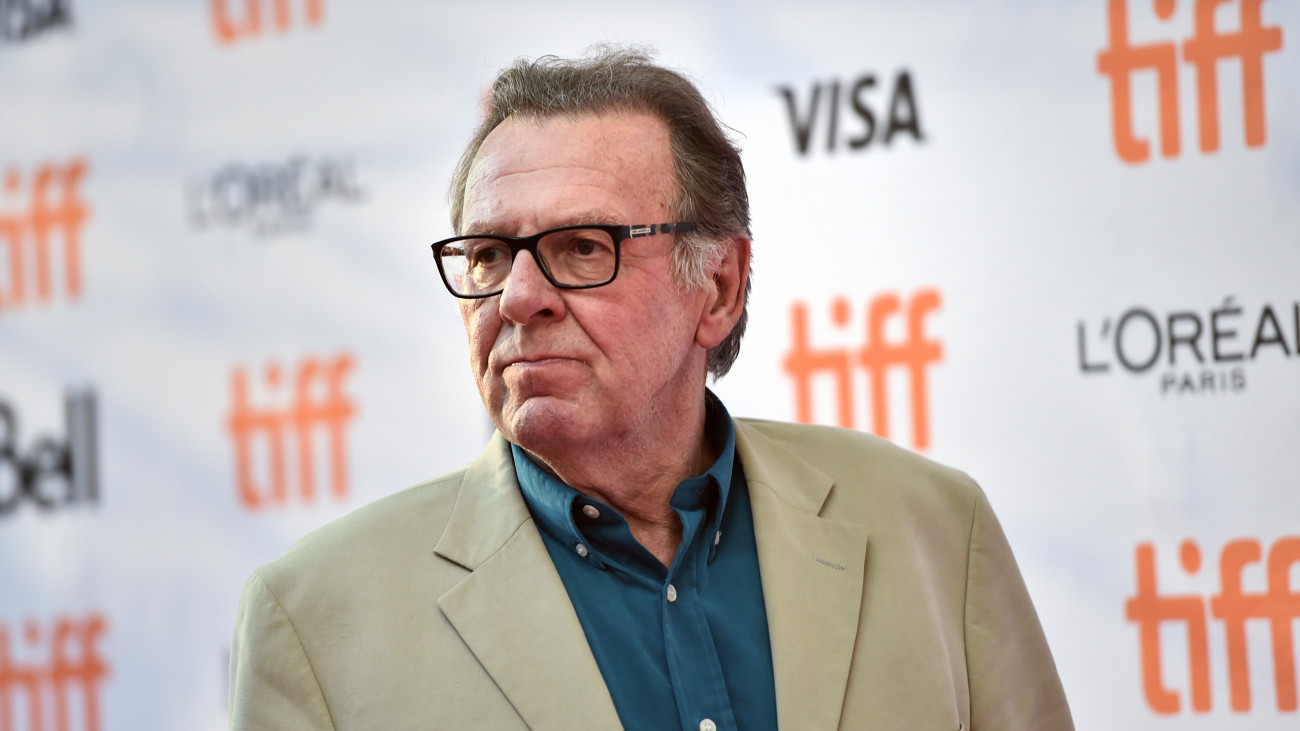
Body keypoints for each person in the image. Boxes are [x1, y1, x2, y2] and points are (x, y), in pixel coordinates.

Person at [229, 46, 1074, 730]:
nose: (519, 296)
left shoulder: (933, 530)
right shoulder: (315, 620)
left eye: (581, 247)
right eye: (487, 254)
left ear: (718, 288)